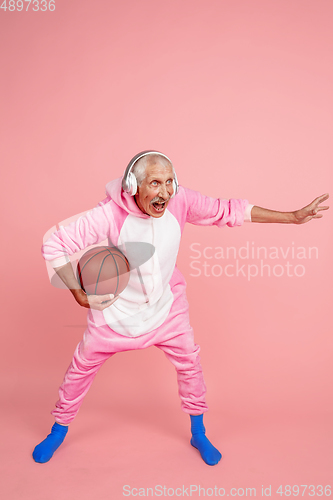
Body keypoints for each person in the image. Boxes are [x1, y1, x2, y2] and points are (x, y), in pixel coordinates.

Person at [33, 150, 329, 465]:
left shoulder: (180, 201)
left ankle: (198, 432)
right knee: (81, 369)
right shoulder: (107, 214)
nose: (165, 192)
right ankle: (58, 431)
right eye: (156, 183)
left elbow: (228, 210)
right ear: (133, 185)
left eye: (170, 182)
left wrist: (292, 217)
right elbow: (54, 243)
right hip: (115, 315)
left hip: (165, 308)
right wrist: (78, 293)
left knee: (190, 363)